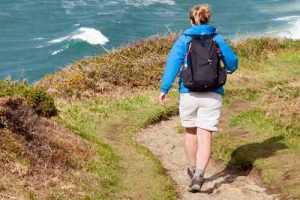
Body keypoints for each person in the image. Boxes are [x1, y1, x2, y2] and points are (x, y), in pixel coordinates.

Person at [159, 4, 238, 192]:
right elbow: (232, 62)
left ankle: (193, 169)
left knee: (191, 132)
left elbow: (172, 65)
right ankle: (199, 175)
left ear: (190, 20)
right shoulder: (217, 39)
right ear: (207, 19)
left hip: (188, 93)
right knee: (206, 134)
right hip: (213, 93)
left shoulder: (183, 40)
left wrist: (164, 88)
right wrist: (228, 68)